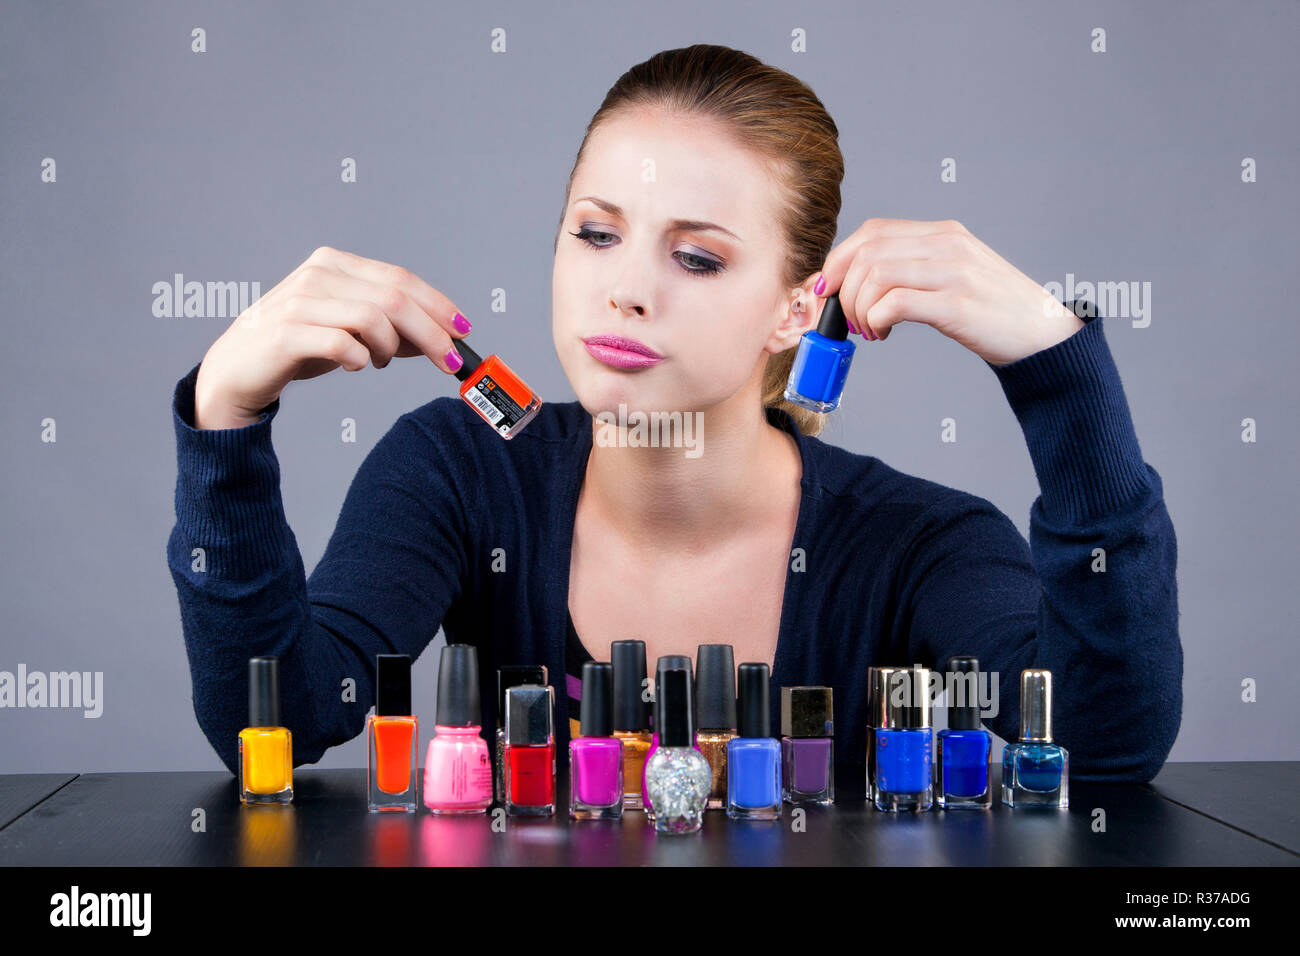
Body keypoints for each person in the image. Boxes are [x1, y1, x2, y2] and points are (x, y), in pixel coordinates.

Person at [168, 44, 1180, 790]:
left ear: (797, 305)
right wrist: (226, 420)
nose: (627, 290)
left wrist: (1059, 373)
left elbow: (1103, 741)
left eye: (696, 256)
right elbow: (284, 714)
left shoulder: (919, 541)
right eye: (596, 233)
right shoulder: (459, 468)